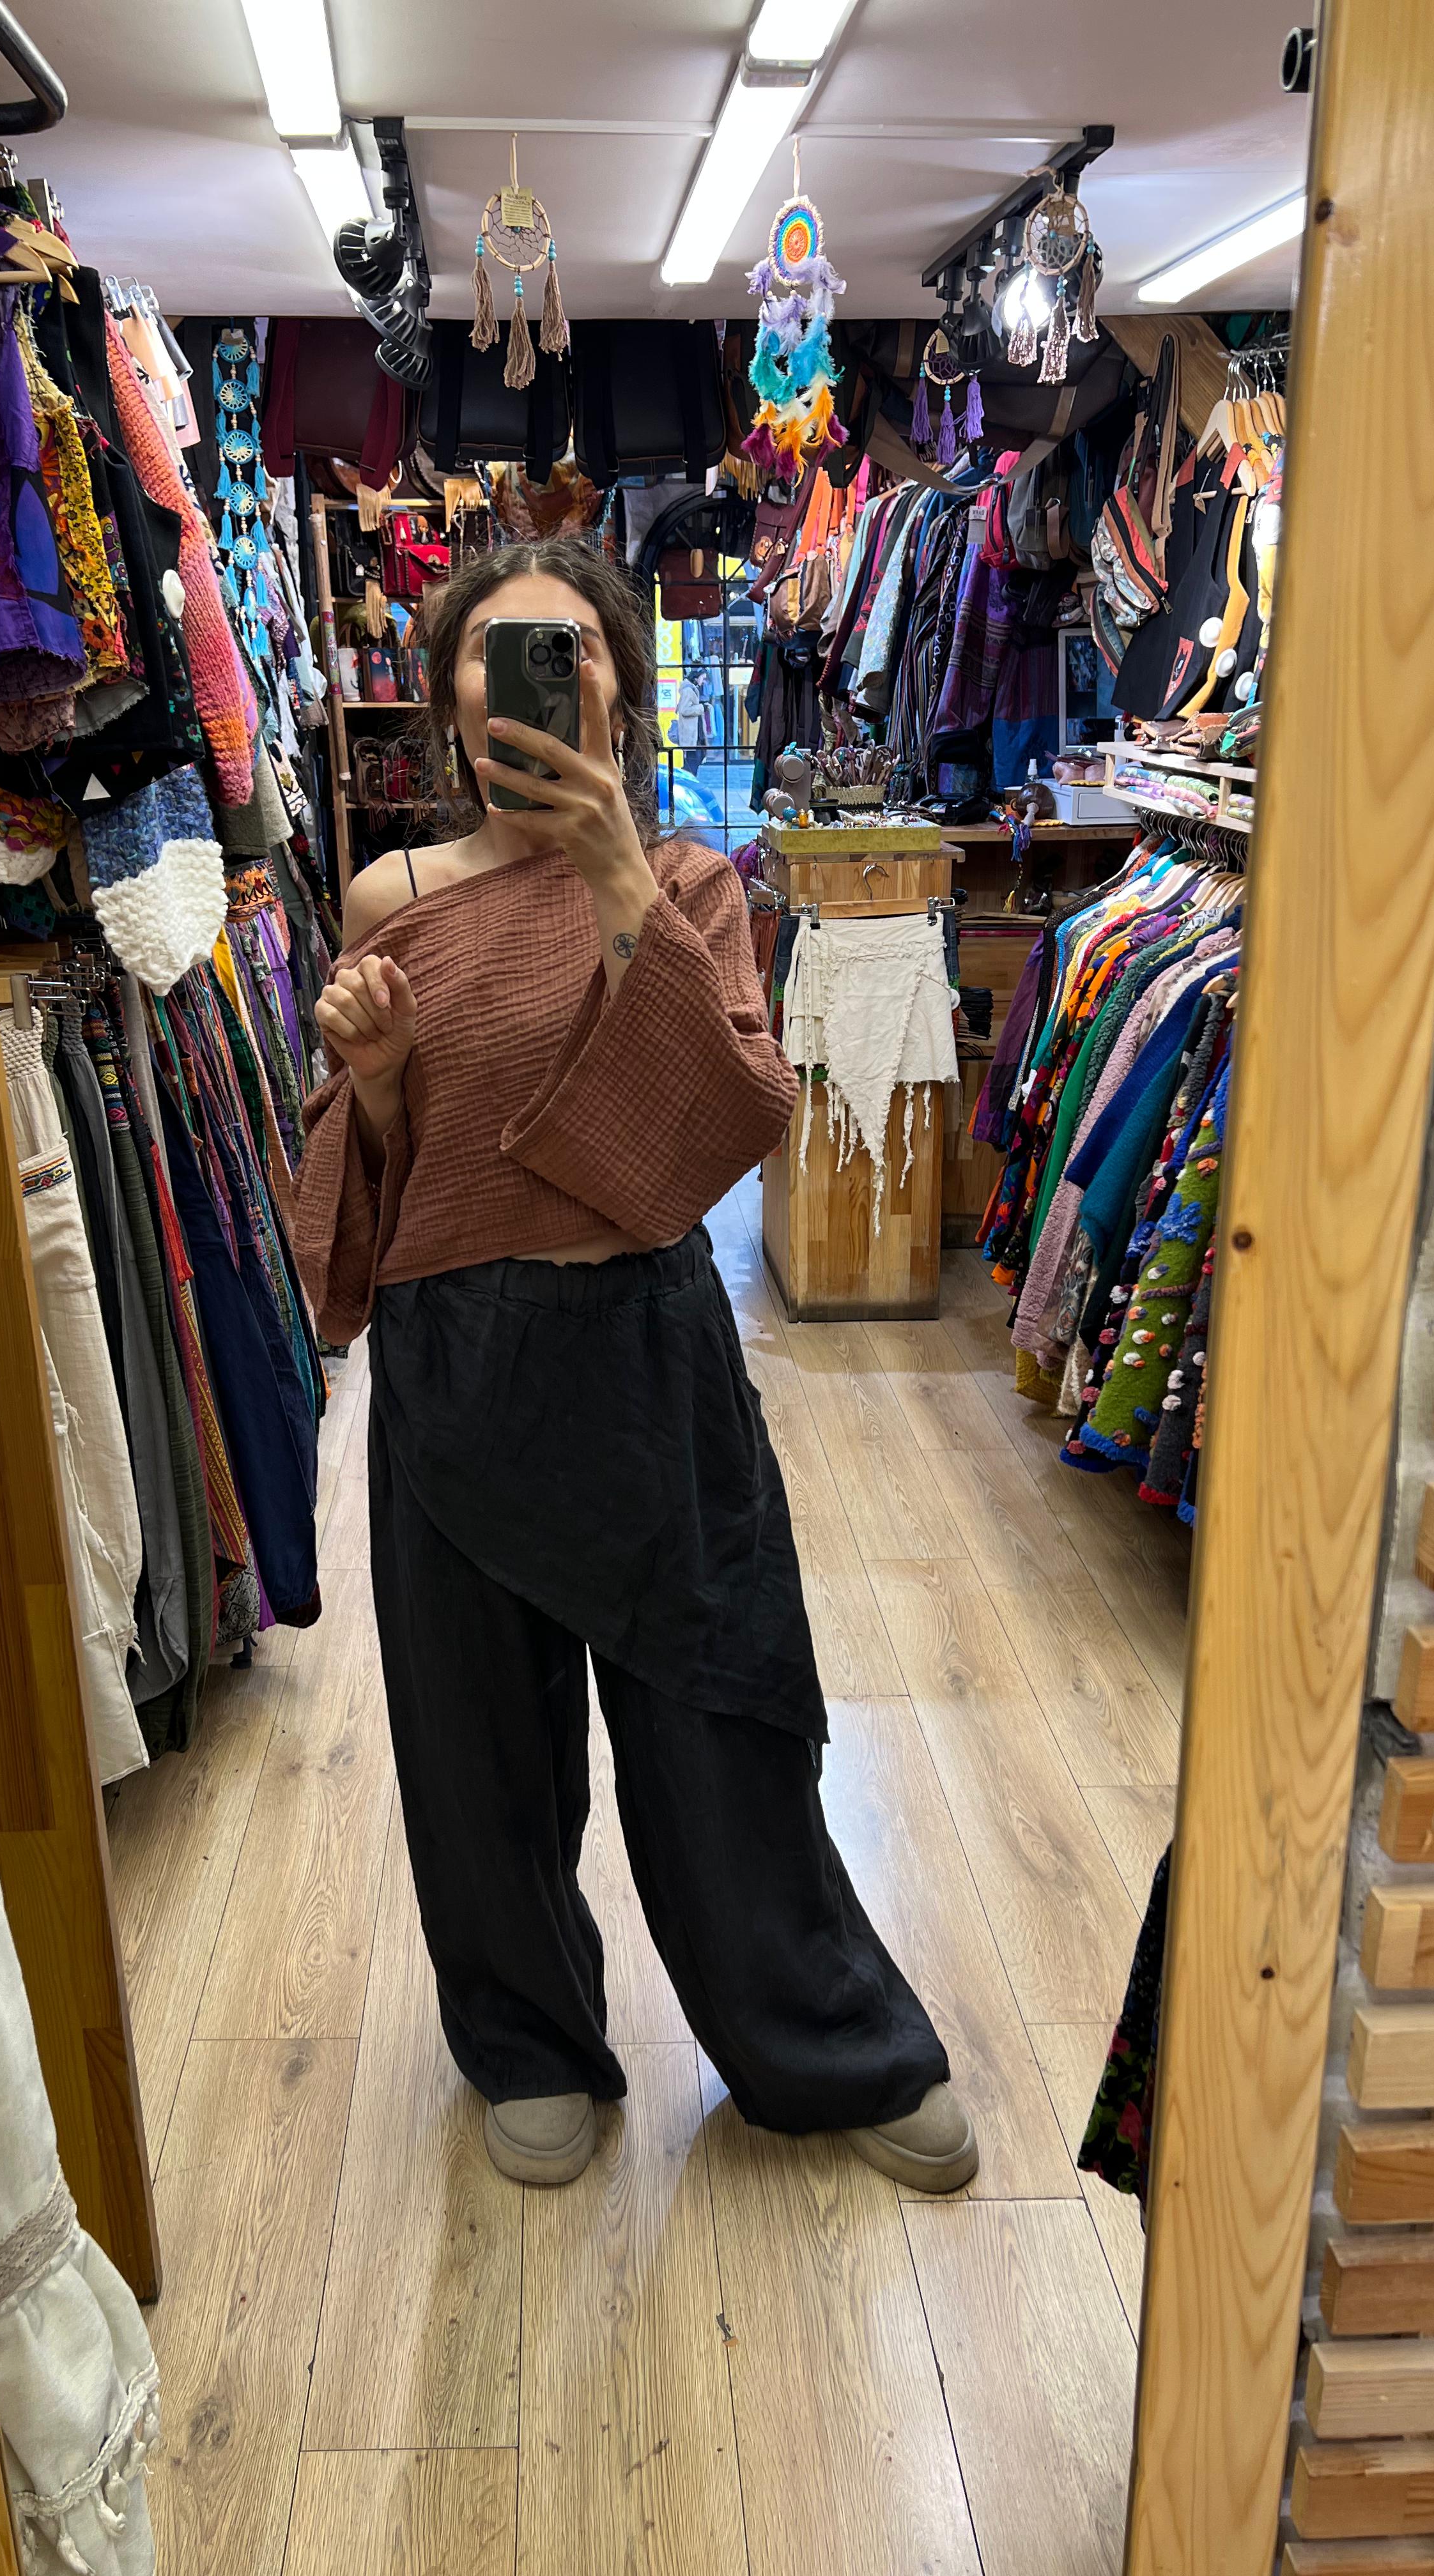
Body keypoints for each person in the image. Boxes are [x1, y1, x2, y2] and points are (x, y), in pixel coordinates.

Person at [290, 537, 975, 2194]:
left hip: (650, 1350)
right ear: (450, 698)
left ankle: (816, 2037)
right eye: (498, 652)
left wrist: (613, 877)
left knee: (723, 1712)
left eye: (571, 648)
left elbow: (731, 1115)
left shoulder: (691, 882)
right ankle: (529, 2042)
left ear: (620, 684)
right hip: (462, 1364)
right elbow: (388, 1185)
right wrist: (376, 1079)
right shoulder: (392, 899)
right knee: (477, 1746)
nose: (537, 677)